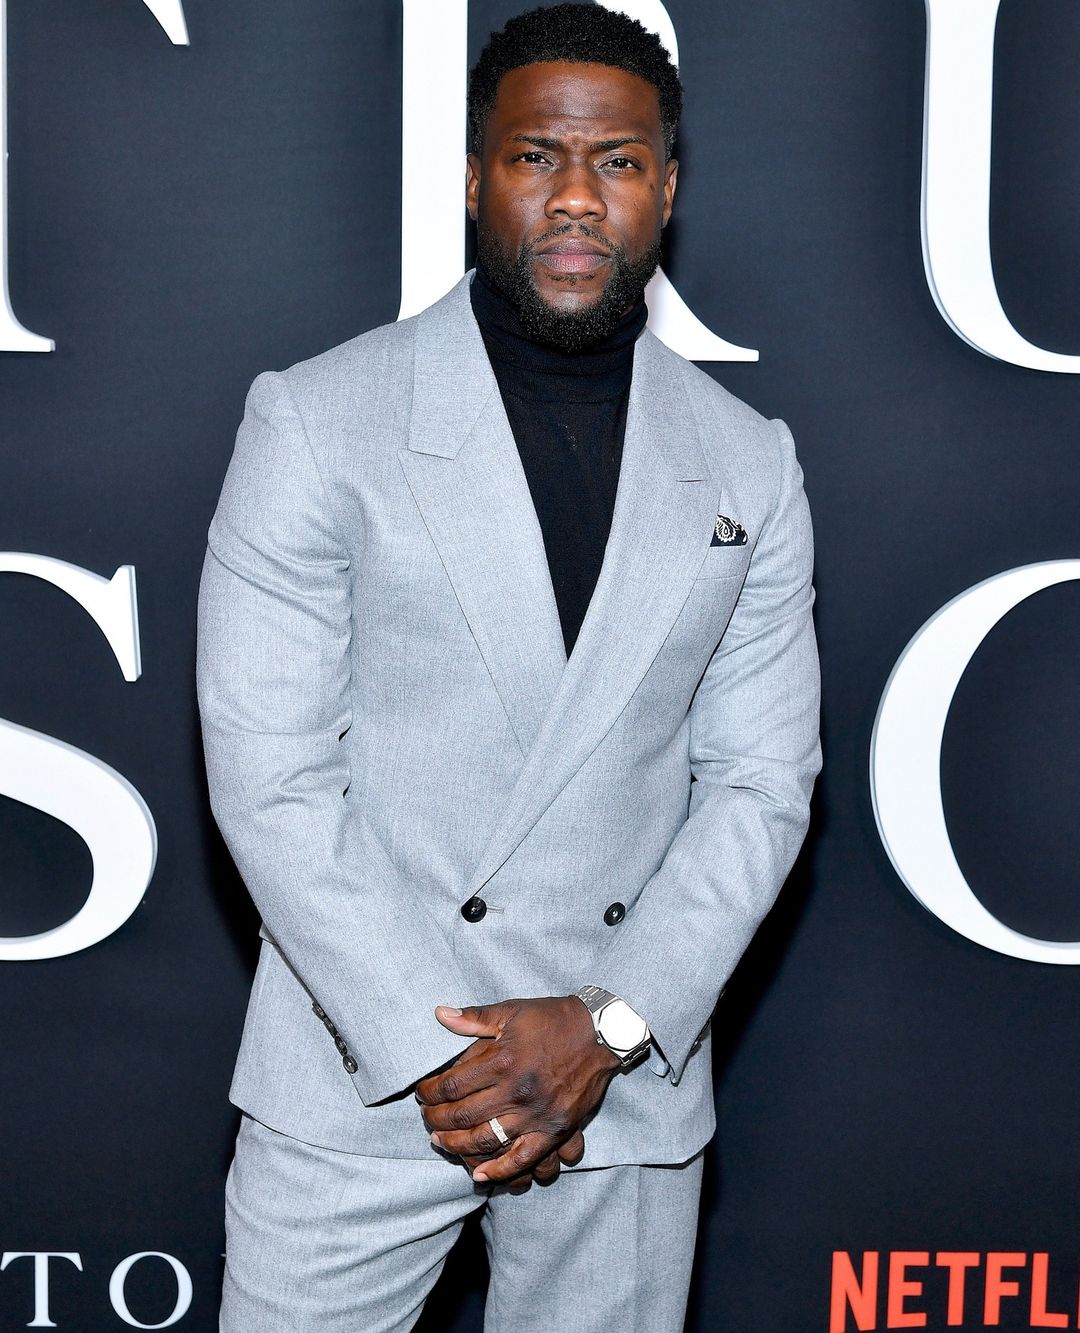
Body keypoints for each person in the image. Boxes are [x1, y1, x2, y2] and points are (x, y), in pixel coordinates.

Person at [196, 5, 820, 1330]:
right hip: (362, 1075)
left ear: (667, 188)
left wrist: (607, 1024)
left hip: (624, 1089)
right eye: (538, 156)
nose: (578, 197)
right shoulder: (318, 420)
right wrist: (439, 1050)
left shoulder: (749, 461)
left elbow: (762, 784)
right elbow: (270, 777)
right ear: (477, 177)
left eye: (619, 161)